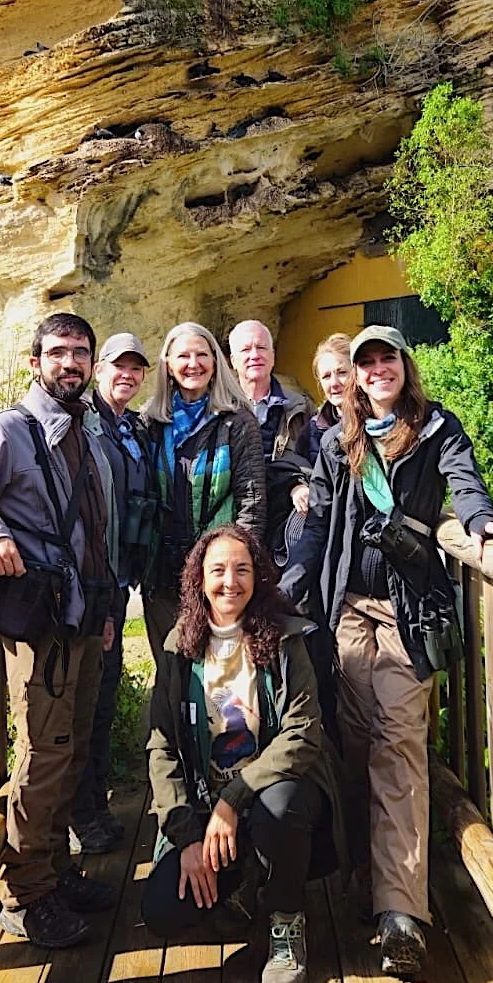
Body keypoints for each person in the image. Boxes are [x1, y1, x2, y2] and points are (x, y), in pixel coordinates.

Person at [279, 325, 493, 981]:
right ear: (355, 377)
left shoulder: (436, 427)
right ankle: (368, 872)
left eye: (388, 357)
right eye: (367, 362)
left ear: (403, 367)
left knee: (400, 742)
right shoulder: (337, 442)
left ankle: (401, 915)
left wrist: (479, 522)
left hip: (409, 612)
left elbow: (463, 482)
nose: (378, 368)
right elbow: (317, 530)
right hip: (349, 611)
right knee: (354, 743)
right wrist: (287, 590)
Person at [0, 312, 124, 950]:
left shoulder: (90, 434)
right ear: (35, 361)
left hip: (86, 616)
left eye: (81, 354)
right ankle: (25, 894)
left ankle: (55, 869)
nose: (71, 364)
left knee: (69, 754)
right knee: (42, 756)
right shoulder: (7, 432)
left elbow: (97, 533)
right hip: (41, 621)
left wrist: (102, 617)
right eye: (59, 353)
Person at [141, 525, 347, 983]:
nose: (229, 581)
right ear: (199, 579)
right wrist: (187, 834)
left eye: (242, 569)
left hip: (275, 799)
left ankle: (286, 923)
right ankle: (248, 880)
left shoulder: (285, 637)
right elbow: (161, 745)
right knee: (162, 911)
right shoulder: (178, 648)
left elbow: (303, 730)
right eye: (217, 570)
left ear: (258, 577)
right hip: (209, 812)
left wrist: (235, 799)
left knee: (280, 805)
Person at [70, 331, 158, 855]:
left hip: (119, 580)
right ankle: (82, 815)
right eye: (117, 366)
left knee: (102, 697)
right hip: (90, 583)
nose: (126, 375)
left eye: (135, 368)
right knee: (88, 699)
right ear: (100, 369)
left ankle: (94, 807)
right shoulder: (86, 423)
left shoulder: (130, 426)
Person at [141, 322, 266, 668]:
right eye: (183, 355)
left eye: (202, 354)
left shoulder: (237, 422)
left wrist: (239, 572)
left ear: (216, 362)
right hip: (163, 575)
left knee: (215, 675)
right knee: (169, 672)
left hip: (216, 577)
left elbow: (251, 503)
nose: (193, 363)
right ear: (167, 364)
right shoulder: (150, 423)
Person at [228, 319, 314, 556]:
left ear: (273, 356)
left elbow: (316, 463)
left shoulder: (301, 407)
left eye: (261, 347)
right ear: (233, 361)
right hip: (235, 521)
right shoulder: (220, 410)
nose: (254, 355)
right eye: (246, 349)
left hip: (286, 522)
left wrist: (298, 483)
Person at [296, 333, 351, 466]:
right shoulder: (311, 431)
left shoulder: (377, 422)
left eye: (342, 372)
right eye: (326, 376)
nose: (334, 383)